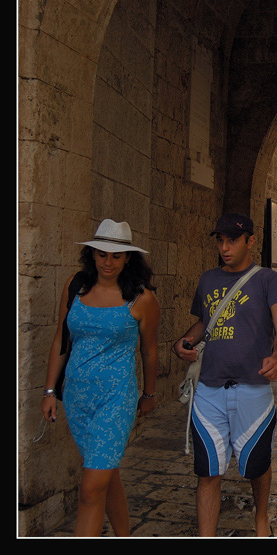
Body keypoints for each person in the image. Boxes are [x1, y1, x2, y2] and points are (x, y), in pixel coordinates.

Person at [172, 213, 277, 537]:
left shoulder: (269, 280)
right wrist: (186, 341)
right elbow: (204, 322)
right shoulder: (208, 279)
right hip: (209, 389)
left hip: (253, 388)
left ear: (250, 241)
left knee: (257, 465)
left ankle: (261, 518)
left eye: (232, 240)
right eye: (220, 240)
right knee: (207, 471)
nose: (225, 247)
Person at [41, 219, 159, 536]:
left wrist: (149, 395)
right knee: (106, 475)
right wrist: (50, 390)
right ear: (92, 254)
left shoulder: (142, 299)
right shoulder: (74, 287)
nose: (108, 262)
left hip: (116, 399)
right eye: (102, 254)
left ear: (128, 259)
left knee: (90, 489)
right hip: (78, 399)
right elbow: (60, 341)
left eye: (116, 256)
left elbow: (149, 352)